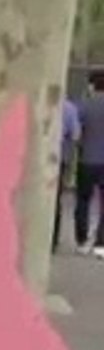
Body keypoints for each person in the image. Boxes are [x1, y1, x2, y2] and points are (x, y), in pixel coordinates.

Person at [74, 75, 104, 257]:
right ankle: (101, 243)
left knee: (83, 200)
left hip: (87, 159)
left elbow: (76, 130)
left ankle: (82, 240)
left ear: (92, 86)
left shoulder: (85, 105)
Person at [53, 96, 81, 253]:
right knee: (55, 199)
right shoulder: (69, 108)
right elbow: (75, 135)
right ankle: (52, 239)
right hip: (58, 158)